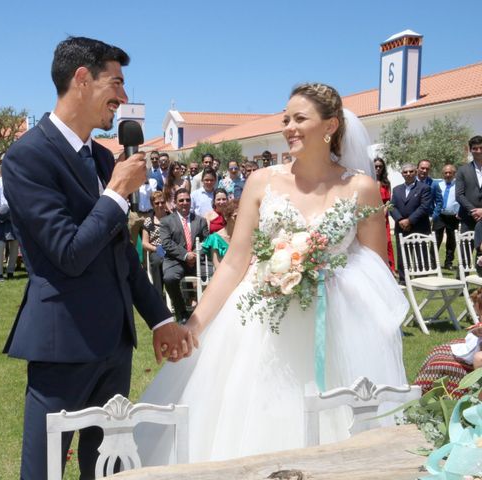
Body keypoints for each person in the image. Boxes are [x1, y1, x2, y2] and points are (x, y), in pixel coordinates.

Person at [137, 83, 408, 464]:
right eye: (285, 119)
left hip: (336, 326)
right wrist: (193, 326)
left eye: (300, 119)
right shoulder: (262, 182)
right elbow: (234, 262)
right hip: (261, 324)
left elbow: (376, 269)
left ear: (330, 125)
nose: (288, 127)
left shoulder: (361, 188)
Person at [1, 36, 195, 480]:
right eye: (117, 83)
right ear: (82, 79)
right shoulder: (28, 156)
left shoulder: (104, 159)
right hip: (61, 343)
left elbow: (119, 253)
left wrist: (161, 320)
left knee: (108, 467)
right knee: (44, 469)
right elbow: (68, 253)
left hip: (114, 343)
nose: (124, 98)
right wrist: (115, 194)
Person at [160, 188, 209, 323]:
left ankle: (209, 311)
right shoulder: (166, 221)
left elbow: (206, 242)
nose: (185, 203)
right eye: (181, 200)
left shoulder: (200, 221)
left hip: (198, 261)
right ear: (175, 203)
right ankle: (182, 313)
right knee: (170, 278)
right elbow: (166, 243)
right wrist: (186, 255)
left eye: (187, 200)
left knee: (217, 274)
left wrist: (195, 255)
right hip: (175, 261)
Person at [390, 163, 432, 282]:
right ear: (402, 174)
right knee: (402, 254)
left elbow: (424, 207)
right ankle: (403, 279)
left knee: (420, 253)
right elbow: (391, 206)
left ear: (416, 172)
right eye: (405, 172)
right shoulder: (396, 189)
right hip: (401, 227)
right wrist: (400, 220)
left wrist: (409, 220)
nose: (408, 174)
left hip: (419, 227)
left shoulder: (424, 188)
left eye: (411, 171)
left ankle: (421, 278)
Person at [0, 165, 18, 281]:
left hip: (15, 217)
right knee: (0, 245)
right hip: (1, 216)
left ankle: (10, 270)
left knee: (15, 244)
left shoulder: (17, 181)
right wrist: (4, 212)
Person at [433, 164, 460, 270]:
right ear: (443, 174)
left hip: (453, 216)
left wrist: (460, 212)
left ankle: (448, 263)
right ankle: (432, 262)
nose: (448, 175)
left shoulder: (459, 185)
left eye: (450, 173)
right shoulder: (437, 184)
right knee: (436, 239)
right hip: (440, 216)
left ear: (454, 174)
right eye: (446, 173)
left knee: (451, 240)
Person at [142, 190, 168, 296]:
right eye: (157, 203)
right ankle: (158, 295)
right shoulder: (149, 221)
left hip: (171, 249)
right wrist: (156, 249)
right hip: (156, 250)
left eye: (162, 202)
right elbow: (144, 243)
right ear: (152, 205)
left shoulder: (172, 217)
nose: (160, 205)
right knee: (157, 262)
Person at [456, 135, 482, 233]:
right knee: (466, 248)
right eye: (475, 148)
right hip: (468, 217)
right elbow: (459, 195)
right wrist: (474, 211)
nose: (479, 151)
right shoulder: (462, 170)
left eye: (481, 148)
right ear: (470, 150)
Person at [201, 200, 238, 268]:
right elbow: (218, 266)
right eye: (236, 216)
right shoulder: (215, 238)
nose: (239, 219)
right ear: (226, 217)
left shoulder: (242, 237)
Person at [374, 157, 395, 274]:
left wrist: (384, 211)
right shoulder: (368, 181)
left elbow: (388, 200)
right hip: (370, 216)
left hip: (383, 215)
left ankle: (391, 268)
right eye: (376, 166)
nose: (378, 169)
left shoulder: (386, 183)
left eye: (380, 166)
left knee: (387, 241)